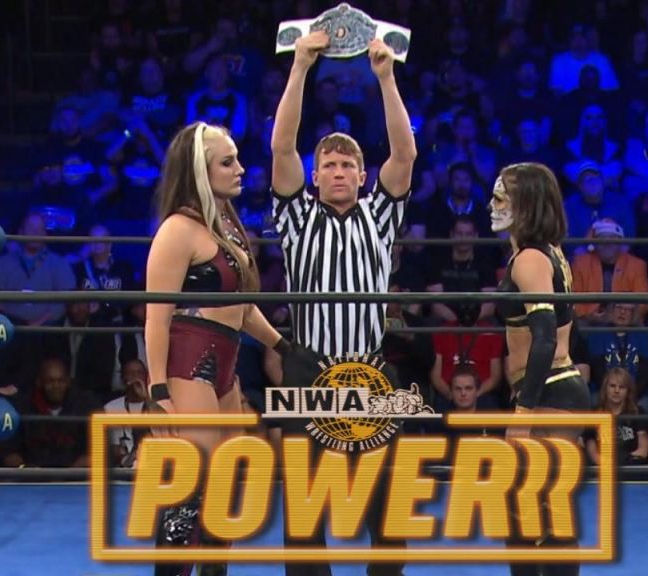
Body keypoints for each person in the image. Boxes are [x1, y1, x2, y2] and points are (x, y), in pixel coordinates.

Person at [269, 31, 415, 576]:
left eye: (347, 165)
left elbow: (405, 153)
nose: (337, 171)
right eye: (328, 164)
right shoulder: (296, 218)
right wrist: (300, 68)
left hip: (370, 370)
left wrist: (386, 77)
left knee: (388, 506)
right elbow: (282, 148)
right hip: (310, 369)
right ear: (315, 176)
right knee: (306, 509)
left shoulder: (380, 214)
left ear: (361, 175)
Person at [144, 121, 288, 576]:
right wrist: (158, 392)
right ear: (200, 172)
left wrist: (283, 345)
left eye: (237, 159)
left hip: (226, 366)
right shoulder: (178, 230)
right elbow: (156, 316)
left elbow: (242, 307)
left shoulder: (226, 225)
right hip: (191, 365)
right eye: (227, 162)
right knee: (192, 483)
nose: (240, 169)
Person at [489, 162, 590, 576]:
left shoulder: (529, 259)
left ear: (525, 204)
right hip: (556, 388)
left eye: (501, 198)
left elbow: (546, 338)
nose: (492, 205)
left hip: (548, 392)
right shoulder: (550, 253)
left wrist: (523, 412)